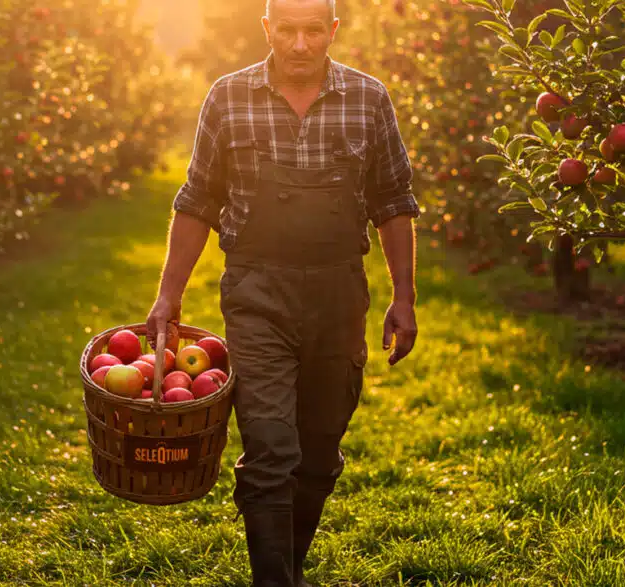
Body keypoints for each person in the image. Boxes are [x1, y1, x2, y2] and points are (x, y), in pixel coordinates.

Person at [145, 0, 419, 584]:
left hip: (338, 297)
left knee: (318, 456)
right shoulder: (228, 97)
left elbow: (394, 203)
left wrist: (404, 297)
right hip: (257, 292)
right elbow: (197, 200)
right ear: (267, 28)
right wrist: (168, 294)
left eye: (313, 31)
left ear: (333, 31)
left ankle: (288, 567)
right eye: (287, 30)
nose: (300, 44)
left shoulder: (368, 100)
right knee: (270, 451)